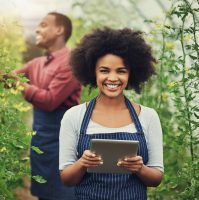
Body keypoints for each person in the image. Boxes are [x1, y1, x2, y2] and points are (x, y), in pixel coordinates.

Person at [59, 27, 163, 200]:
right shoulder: (74, 116)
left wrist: (140, 169)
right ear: (93, 72)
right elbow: (67, 179)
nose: (113, 78)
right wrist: (82, 164)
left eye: (121, 71)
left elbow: (156, 178)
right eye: (104, 70)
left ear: (131, 74)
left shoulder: (148, 116)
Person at [0, 12, 81, 200]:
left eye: (43, 25)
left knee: (64, 191)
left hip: (63, 139)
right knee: (44, 191)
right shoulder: (37, 63)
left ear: (59, 30)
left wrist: (18, 82)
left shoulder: (72, 62)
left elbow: (50, 101)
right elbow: (9, 79)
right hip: (41, 138)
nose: (36, 29)